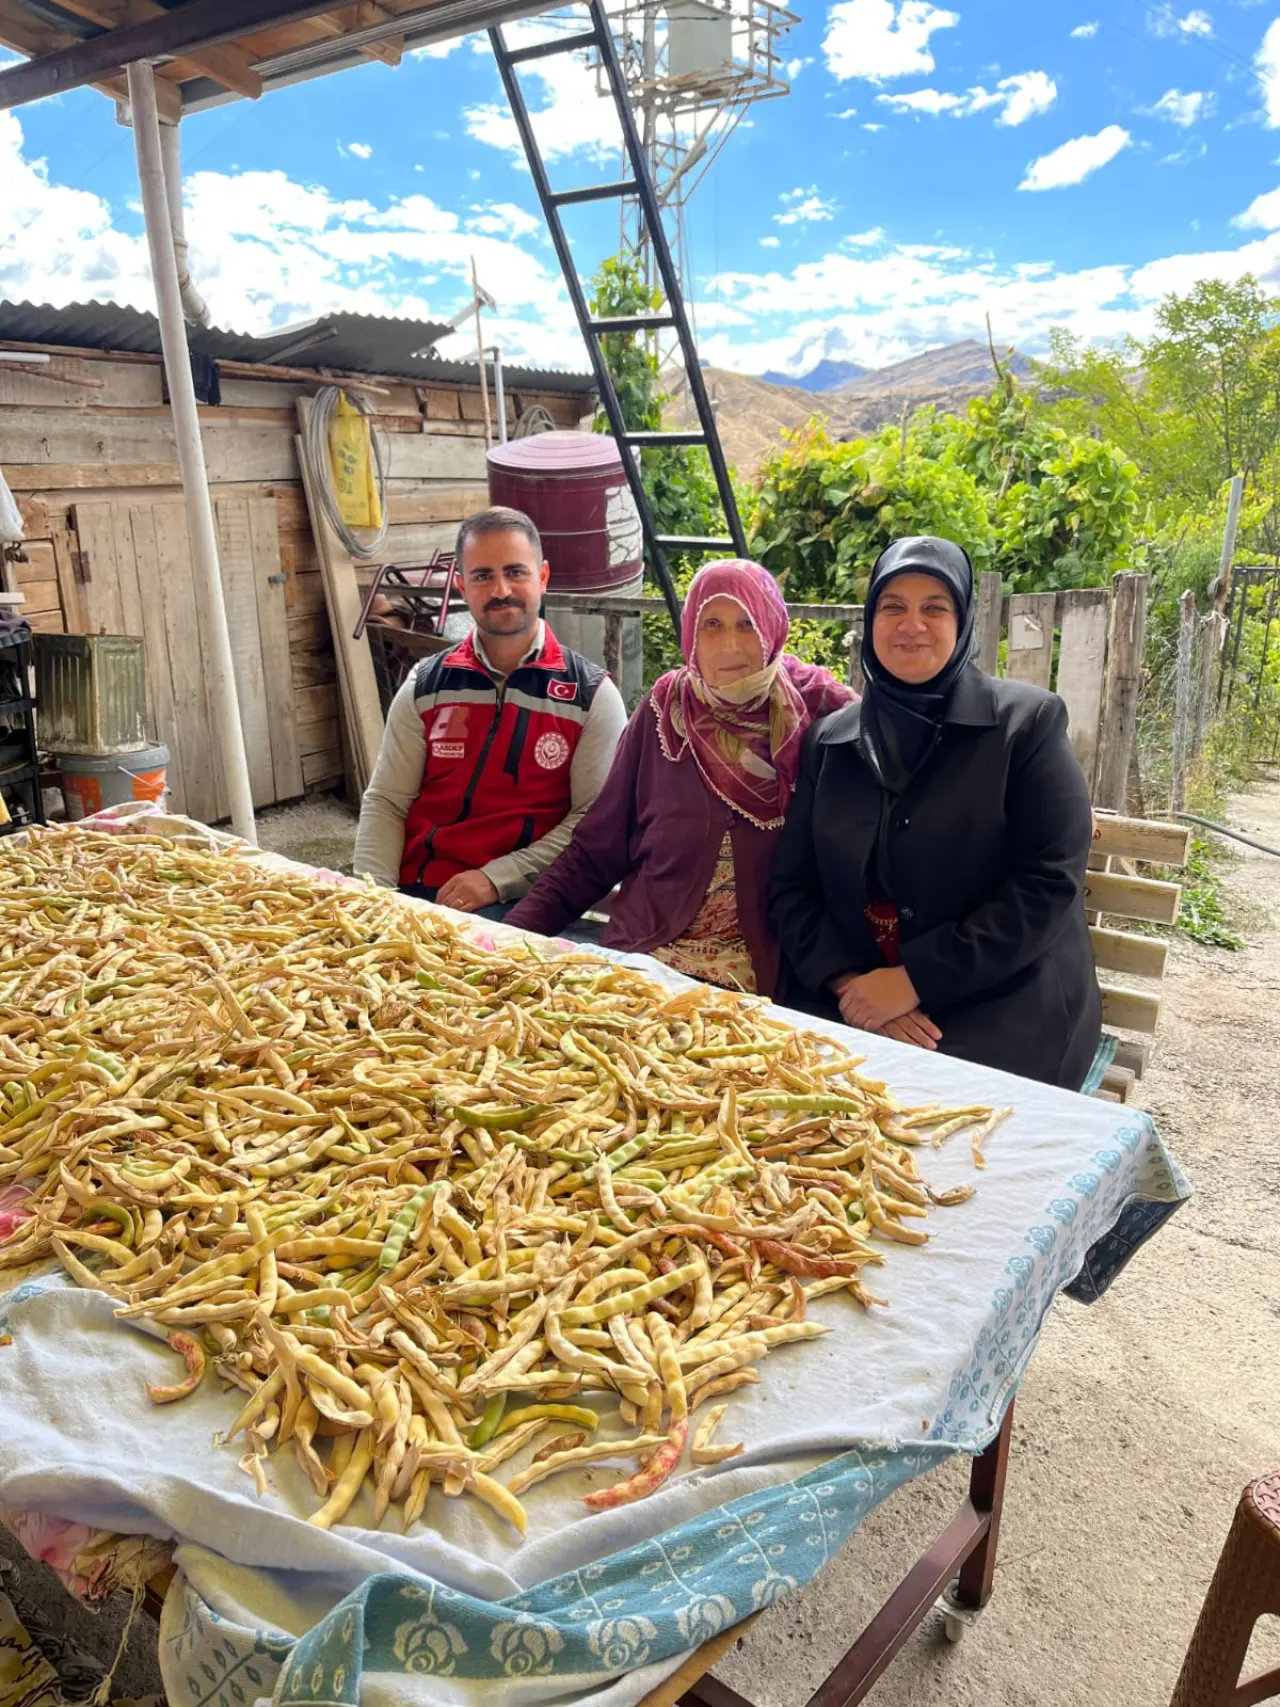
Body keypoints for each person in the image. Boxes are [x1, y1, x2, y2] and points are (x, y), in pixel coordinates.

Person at [768, 535, 1101, 1089]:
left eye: (934, 607)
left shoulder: (1026, 727)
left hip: (1005, 1003)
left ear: (964, 620)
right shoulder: (831, 743)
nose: (911, 624)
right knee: (795, 1107)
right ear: (871, 621)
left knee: (927, 1118)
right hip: (856, 997)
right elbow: (792, 888)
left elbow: (1047, 884)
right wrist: (851, 983)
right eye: (892, 606)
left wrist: (915, 980)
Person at [505, 560, 854, 994]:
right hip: (643, 959)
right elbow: (596, 851)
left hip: (756, 979)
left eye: (747, 624)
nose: (730, 645)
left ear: (771, 627)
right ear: (691, 633)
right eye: (711, 625)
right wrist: (512, 938)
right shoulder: (664, 712)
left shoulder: (821, 716)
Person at [353, 506, 628, 917]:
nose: (501, 590)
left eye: (515, 572)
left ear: (543, 578)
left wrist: (497, 878)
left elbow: (594, 823)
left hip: (525, 900)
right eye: (483, 576)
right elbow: (387, 801)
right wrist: (373, 899)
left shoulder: (590, 696)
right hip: (418, 891)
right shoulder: (426, 685)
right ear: (462, 586)